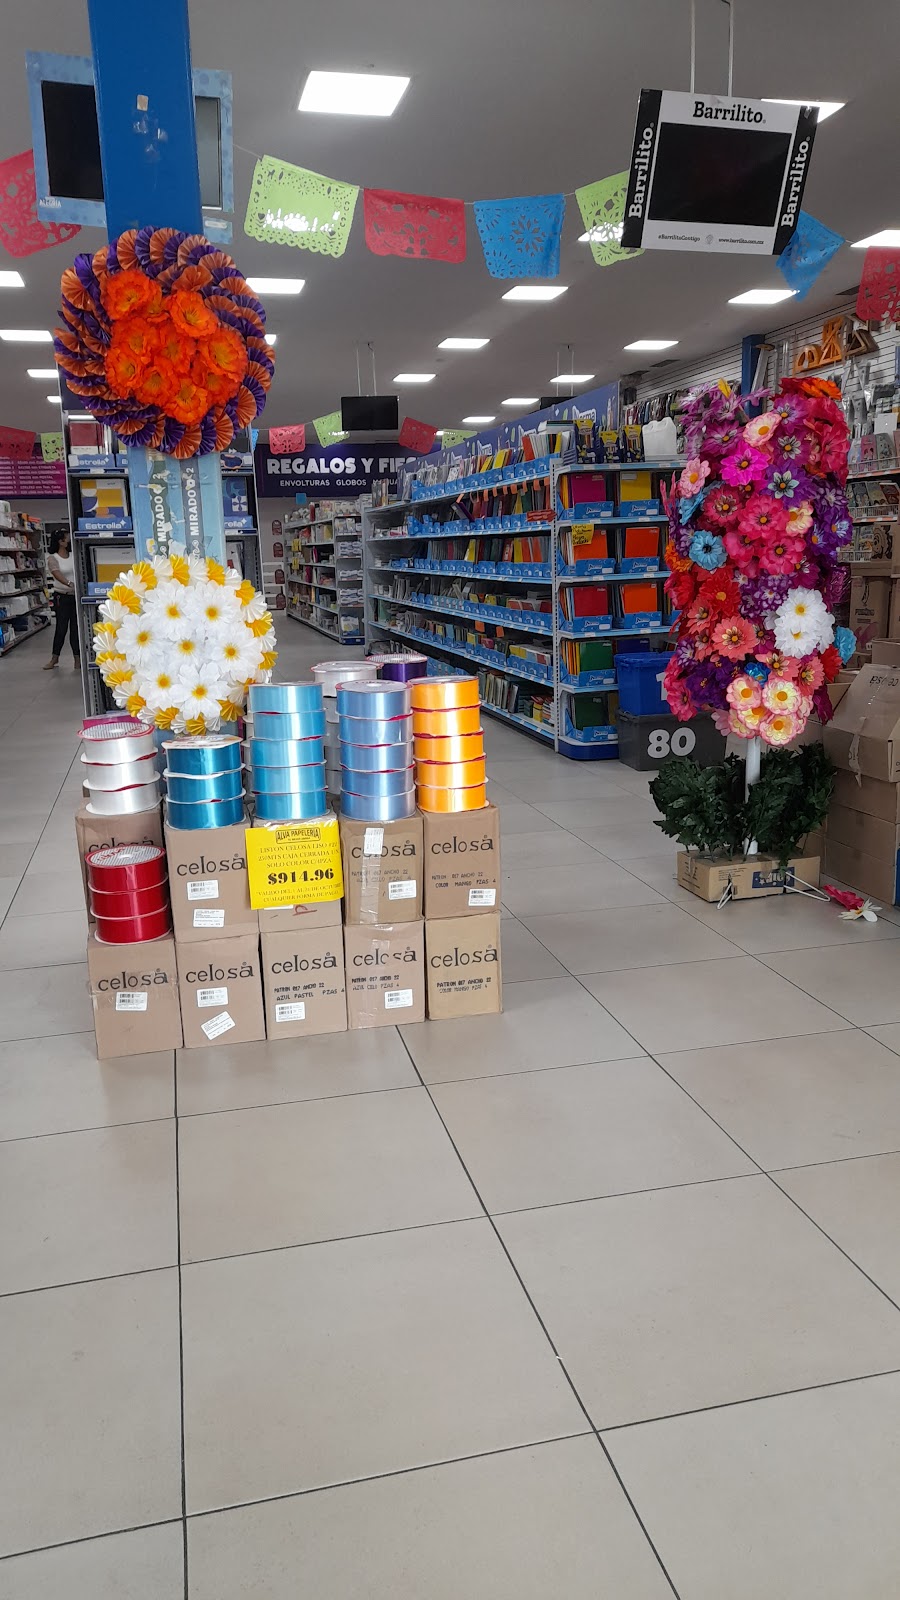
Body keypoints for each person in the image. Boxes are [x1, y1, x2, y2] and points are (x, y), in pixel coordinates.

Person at [44, 529, 80, 670]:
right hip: (62, 597)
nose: (69, 540)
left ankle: (77, 659)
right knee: (61, 628)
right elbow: (56, 573)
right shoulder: (53, 558)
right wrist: (69, 583)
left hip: (75, 597)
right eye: (66, 538)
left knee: (75, 629)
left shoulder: (73, 555)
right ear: (60, 541)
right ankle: (54, 658)